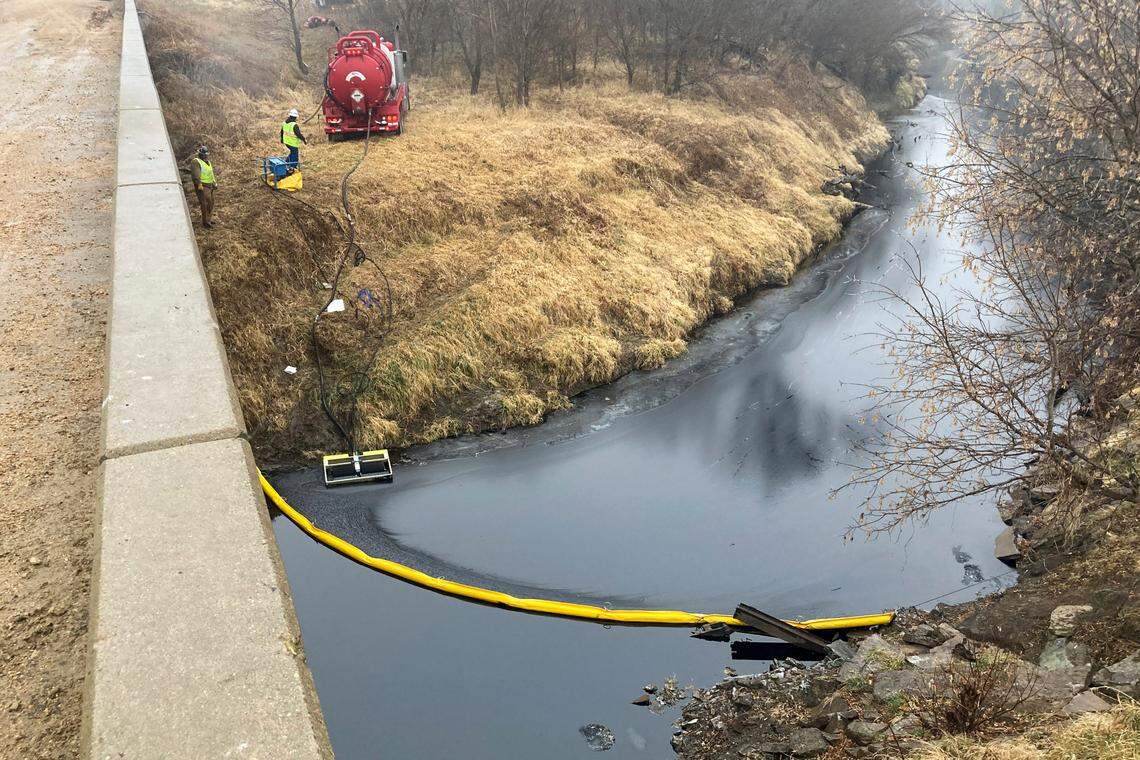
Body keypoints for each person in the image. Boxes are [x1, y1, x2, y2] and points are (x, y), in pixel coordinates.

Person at [189, 145, 217, 229]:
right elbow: (195, 175)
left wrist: (214, 182)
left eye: (206, 154)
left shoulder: (208, 162)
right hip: (202, 186)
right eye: (204, 154)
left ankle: (209, 219)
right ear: (200, 154)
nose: (206, 156)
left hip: (210, 185)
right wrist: (199, 184)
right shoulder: (196, 162)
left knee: (211, 202)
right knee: (205, 203)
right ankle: (205, 222)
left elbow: (211, 173)